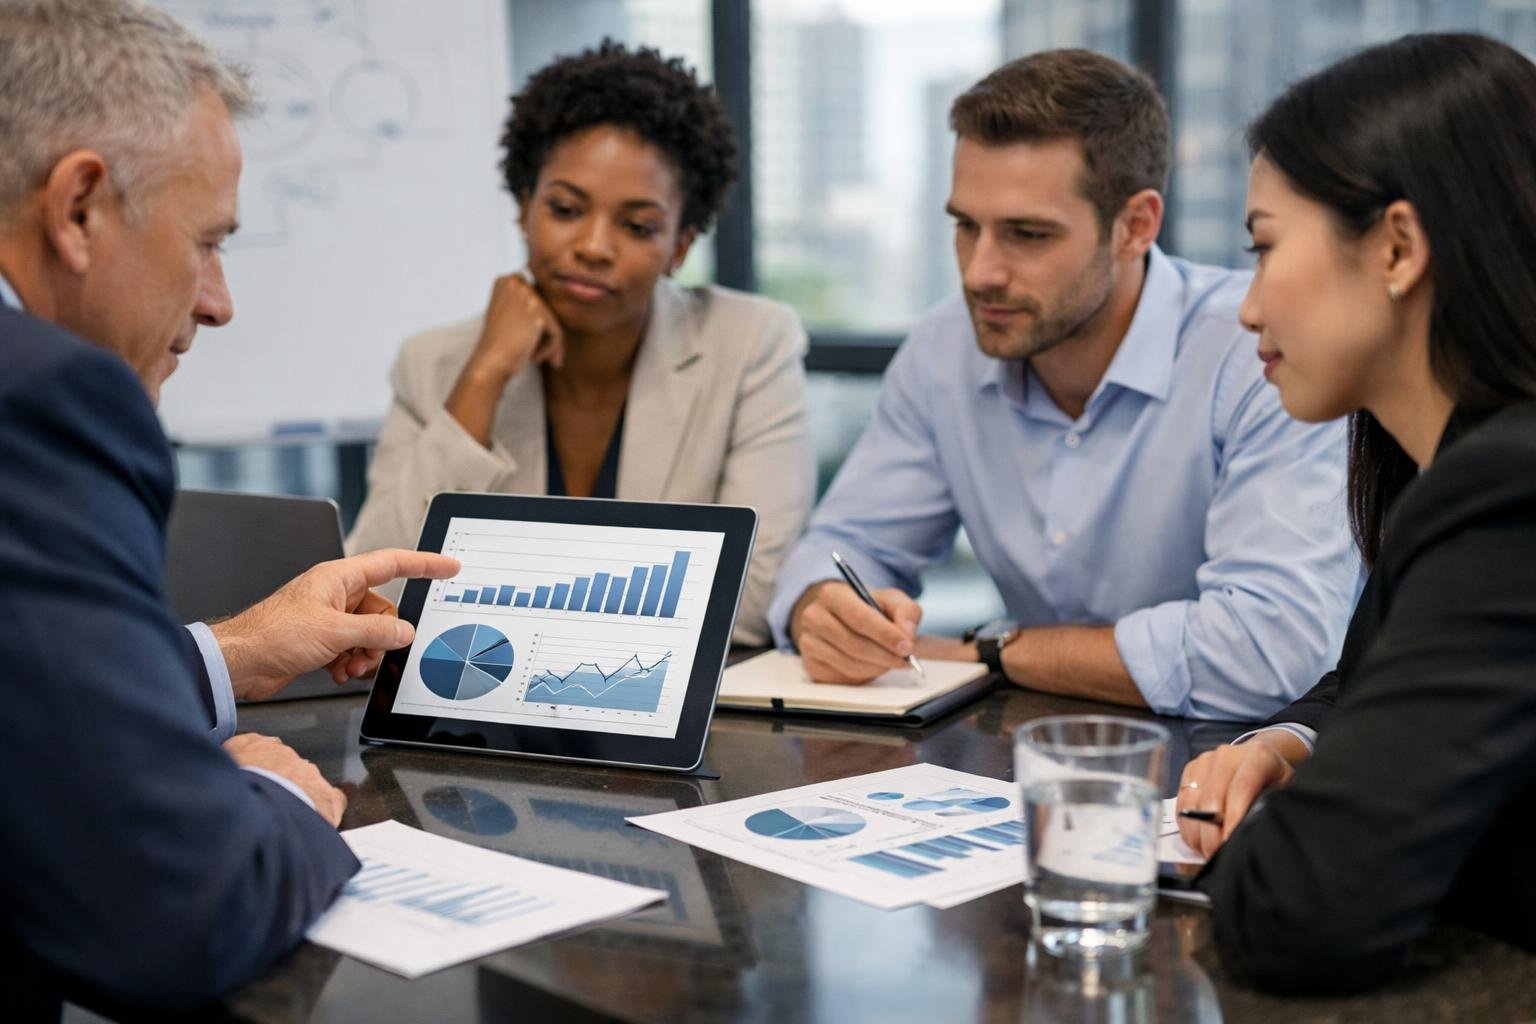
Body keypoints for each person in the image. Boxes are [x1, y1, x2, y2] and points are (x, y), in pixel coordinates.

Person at [0, 1, 457, 1016]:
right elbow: (175, 910)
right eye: (206, 242)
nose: (219, 301)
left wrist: (229, 654)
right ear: (79, 208)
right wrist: (274, 793)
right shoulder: (40, 399)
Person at [768, 49, 1360, 720]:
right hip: (1028, 751)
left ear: (1136, 226)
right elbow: (845, 547)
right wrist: (826, 609)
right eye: (965, 226)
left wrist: (993, 652)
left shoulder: (1260, 353)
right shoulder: (943, 352)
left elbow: (1270, 652)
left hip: (1247, 758)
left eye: (1027, 234)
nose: (980, 273)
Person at [1173, 32, 1536, 993]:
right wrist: (1288, 746)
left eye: (1264, 248)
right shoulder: (1450, 465)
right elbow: (1388, 672)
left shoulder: (1507, 493)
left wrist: (1281, 835)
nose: (1249, 308)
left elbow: (1294, 910)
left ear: (1398, 248)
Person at [346, 41, 814, 646]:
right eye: (566, 209)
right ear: (524, 210)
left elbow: (749, 602)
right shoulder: (435, 363)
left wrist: (508, 598)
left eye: (637, 226)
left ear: (679, 246)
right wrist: (484, 376)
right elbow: (375, 598)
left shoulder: (750, 345)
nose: (593, 247)